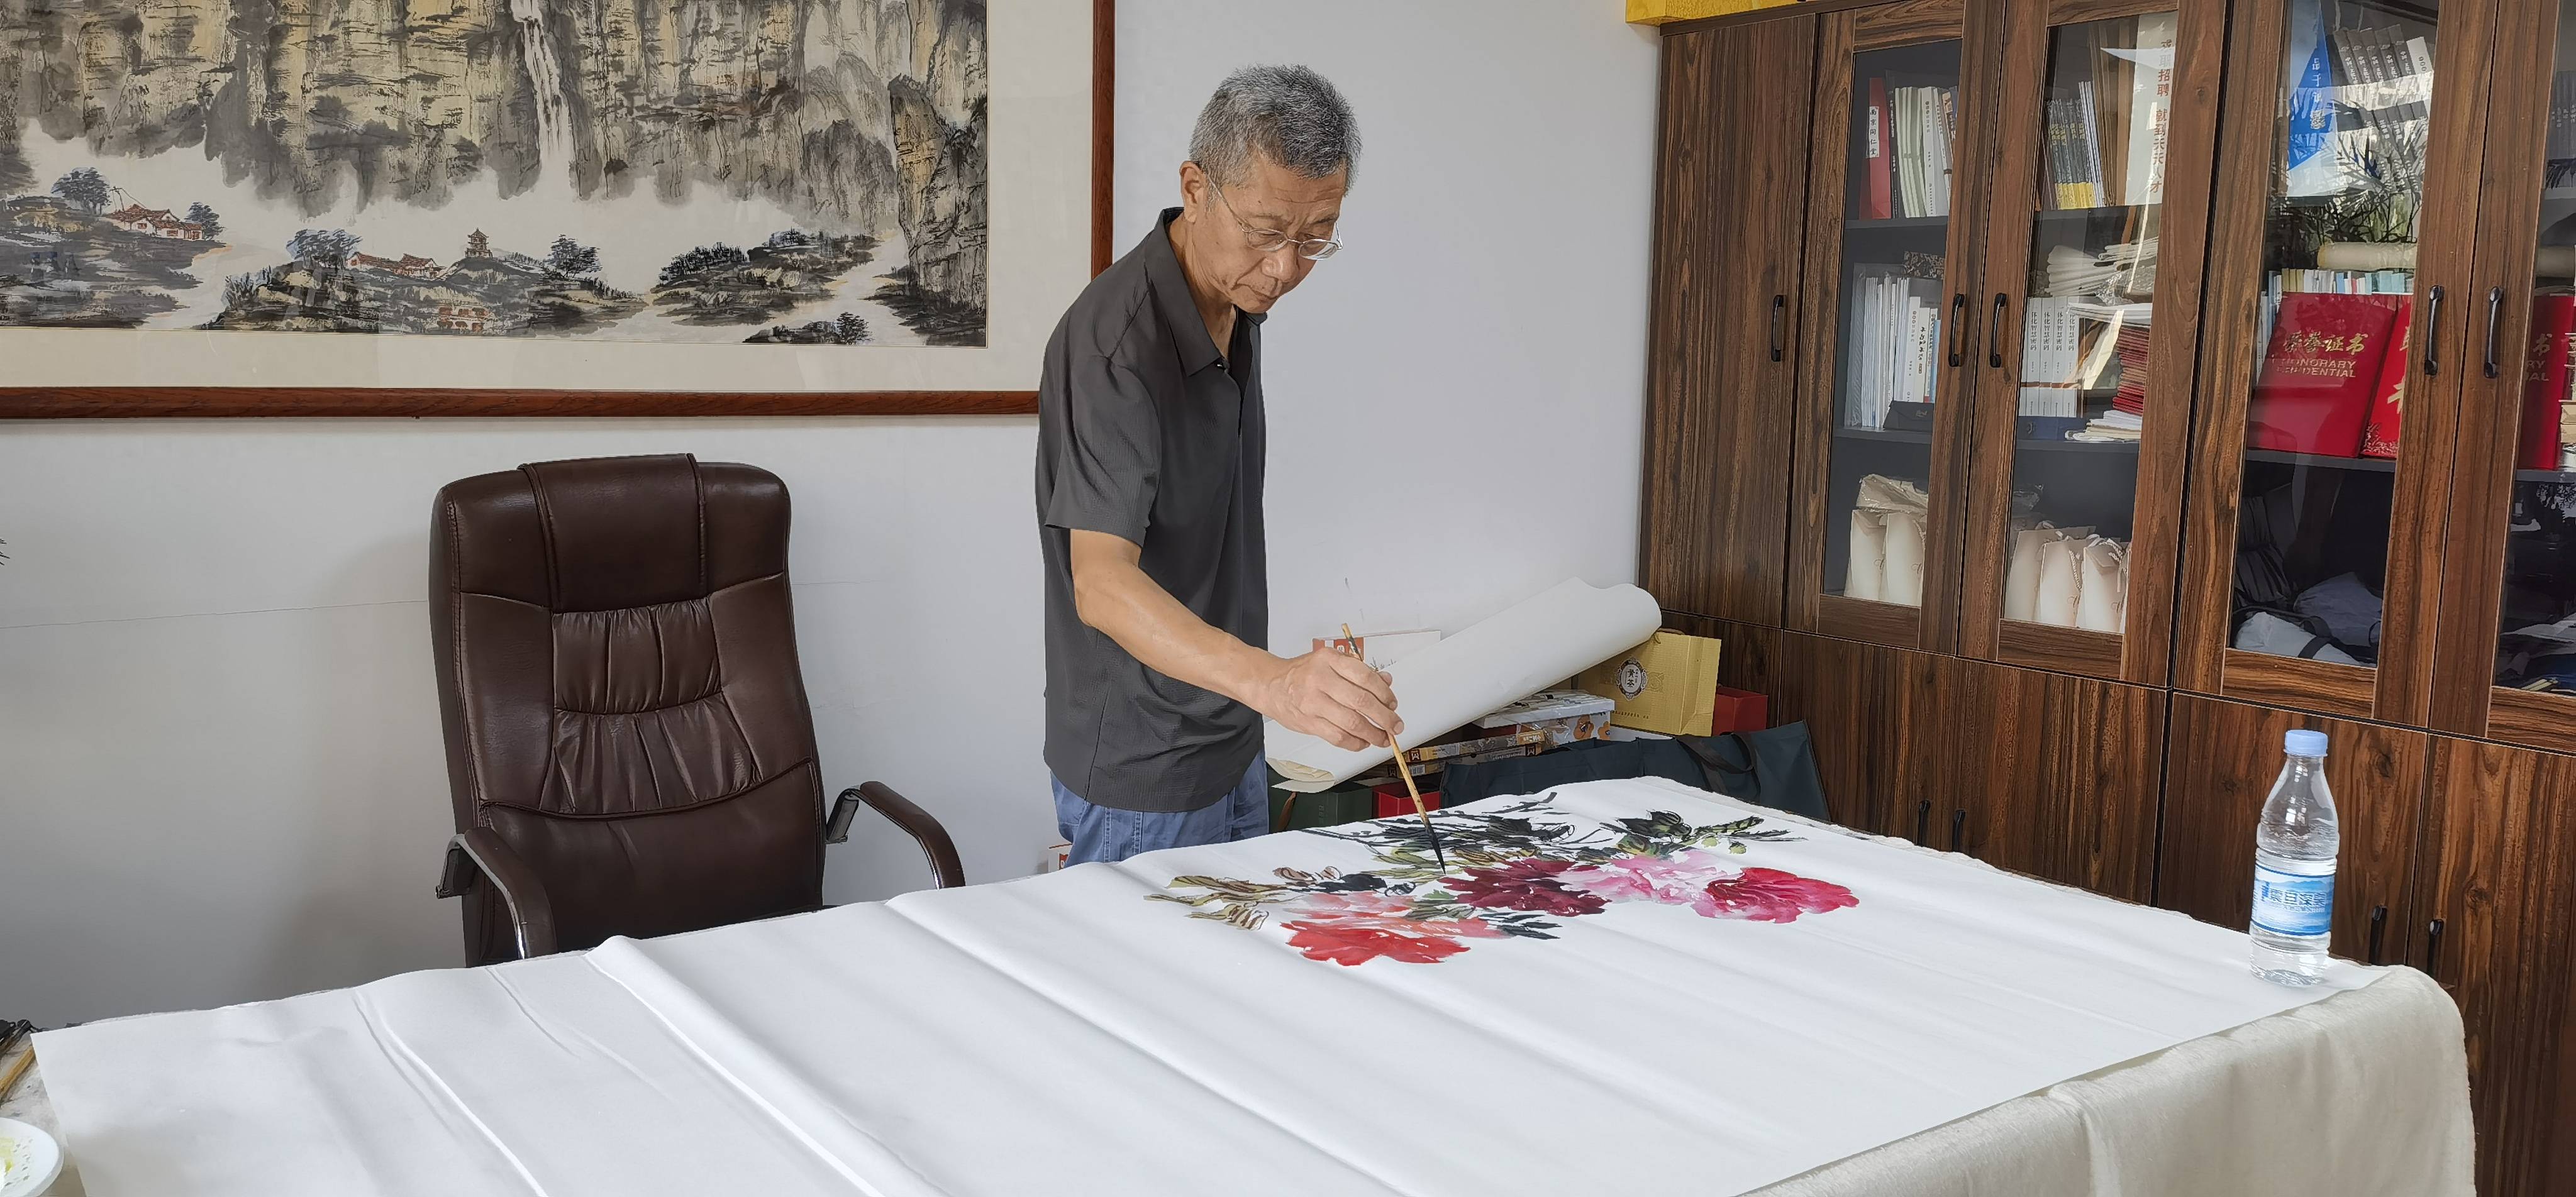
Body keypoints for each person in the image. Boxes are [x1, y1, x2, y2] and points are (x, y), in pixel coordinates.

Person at [1035, 65, 1393, 866]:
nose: (1285, 267)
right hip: (1144, 764)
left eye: (1315, 237)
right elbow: (1101, 583)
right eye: (1265, 231)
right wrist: (1275, 682)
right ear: (1195, 189)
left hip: (1229, 730)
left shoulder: (1235, 300)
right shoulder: (1116, 346)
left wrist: (1266, 694)